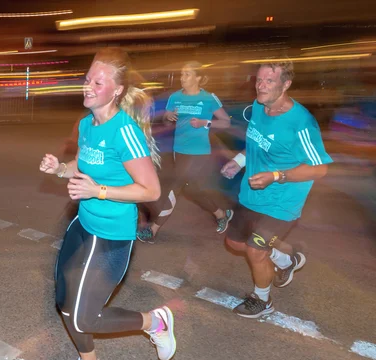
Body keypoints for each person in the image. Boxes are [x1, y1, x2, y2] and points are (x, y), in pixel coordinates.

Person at [39, 48, 177, 360]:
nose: (87, 86)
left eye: (97, 82)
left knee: (86, 317)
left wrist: (97, 191)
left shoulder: (124, 131)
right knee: (65, 304)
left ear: (116, 90)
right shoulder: (87, 124)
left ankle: (155, 322)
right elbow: (83, 167)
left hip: (112, 237)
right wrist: (60, 168)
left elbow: (150, 190)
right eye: (87, 79)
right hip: (83, 226)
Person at [221, 60, 332, 318]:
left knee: (255, 250)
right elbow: (256, 144)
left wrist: (276, 175)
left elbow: (320, 168)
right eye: (259, 80)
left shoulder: (301, 122)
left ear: (286, 84)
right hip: (251, 195)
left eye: (269, 81)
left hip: (283, 202)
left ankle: (263, 301)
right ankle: (287, 259)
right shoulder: (259, 108)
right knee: (234, 243)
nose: (261, 85)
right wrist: (238, 162)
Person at [138, 62, 233, 243]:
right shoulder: (175, 97)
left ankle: (153, 229)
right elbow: (167, 120)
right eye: (182, 74)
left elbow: (225, 122)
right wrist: (168, 117)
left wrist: (205, 122)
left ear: (198, 78)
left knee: (176, 185)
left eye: (187, 74)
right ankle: (222, 214)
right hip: (179, 150)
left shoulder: (208, 98)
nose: (183, 78)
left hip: (199, 152)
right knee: (192, 190)